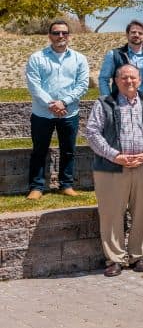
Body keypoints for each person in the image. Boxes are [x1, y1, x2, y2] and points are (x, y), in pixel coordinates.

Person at [83, 64, 143, 277]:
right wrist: (114, 155)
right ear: (116, 81)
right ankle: (115, 259)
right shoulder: (105, 103)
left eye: (133, 78)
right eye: (124, 78)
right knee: (111, 214)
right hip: (111, 169)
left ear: (139, 80)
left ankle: (139, 256)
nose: (129, 81)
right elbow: (92, 132)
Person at [25, 20, 89, 200]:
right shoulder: (37, 57)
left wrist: (64, 102)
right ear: (49, 35)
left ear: (69, 35)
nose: (60, 36)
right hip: (42, 113)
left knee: (68, 150)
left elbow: (82, 85)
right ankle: (37, 187)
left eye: (64, 33)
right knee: (39, 150)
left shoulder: (79, 58)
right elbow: (34, 85)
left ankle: (66, 185)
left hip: (69, 113)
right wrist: (52, 104)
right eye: (56, 33)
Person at [98, 19, 143, 99]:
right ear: (127, 34)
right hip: (121, 103)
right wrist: (108, 100)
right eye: (133, 32)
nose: (137, 35)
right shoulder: (114, 54)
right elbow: (103, 79)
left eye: (140, 33)